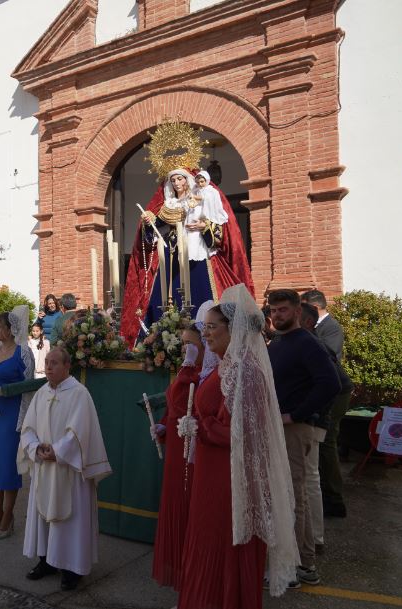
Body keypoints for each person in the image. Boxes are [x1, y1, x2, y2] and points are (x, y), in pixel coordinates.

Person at [177, 285, 299, 608]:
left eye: (211, 327)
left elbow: (244, 434)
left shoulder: (246, 371)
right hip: (213, 472)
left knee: (220, 543)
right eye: (204, 327)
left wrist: (201, 427)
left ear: (234, 329)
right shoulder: (228, 365)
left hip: (229, 480)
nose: (205, 334)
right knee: (207, 540)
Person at [121, 168, 254, 347]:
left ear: (187, 180)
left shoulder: (199, 199)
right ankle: (162, 341)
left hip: (196, 255)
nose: (176, 183)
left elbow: (219, 228)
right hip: (172, 257)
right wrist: (148, 223)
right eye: (173, 180)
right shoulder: (169, 205)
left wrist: (204, 226)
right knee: (166, 297)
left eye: (180, 179)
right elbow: (154, 230)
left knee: (200, 294)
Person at [18, 347, 111, 591]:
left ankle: (72, 568)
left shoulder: (79, 394)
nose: (48, 367)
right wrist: (36, 448)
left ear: (67, 366)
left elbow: (80, 432)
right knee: (42, 517)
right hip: (44, 468)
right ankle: (46, 561)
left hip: (69, 470)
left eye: (54, 363)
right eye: (47, 362)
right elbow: (28, 428)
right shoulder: (41, 393)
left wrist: (57, 452)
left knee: (71, 519)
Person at [267, 289, 341, 586]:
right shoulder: (278, 343)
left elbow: (330, 384)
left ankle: (295, 567)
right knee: (292, 496)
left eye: (283, 310)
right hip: (280, 428)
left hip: (295, 430)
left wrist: (296, 415)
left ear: (298, 311)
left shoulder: (307, 343)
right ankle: (305, 564)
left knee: (294, 497)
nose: (277, 315)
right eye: (273, 310)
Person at [150, 319, 204, 590]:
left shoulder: (198, 375)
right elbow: (173, 405)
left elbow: (185, 402)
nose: (185, 349)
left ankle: (191, 577)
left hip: (190, 452)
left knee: (187, 506)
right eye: (183, 344)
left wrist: (188, 365)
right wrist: (162, 425)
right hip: (175, 447)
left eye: (190, 344)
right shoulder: (187, 372)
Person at [299, 303, 354, 553]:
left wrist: (314, 417)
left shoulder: (313, 342)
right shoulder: (301, 340)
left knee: (324, 446)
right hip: (318, 409)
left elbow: (330, 383)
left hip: (326, 406)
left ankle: (333, 500)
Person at [0, 307, 34, 539]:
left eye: (0, 326)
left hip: (11, 414)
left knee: (8, 465)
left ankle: (8, 515)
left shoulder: (23, 353)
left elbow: (28, 386)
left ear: (12, 329)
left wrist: (3, 391)